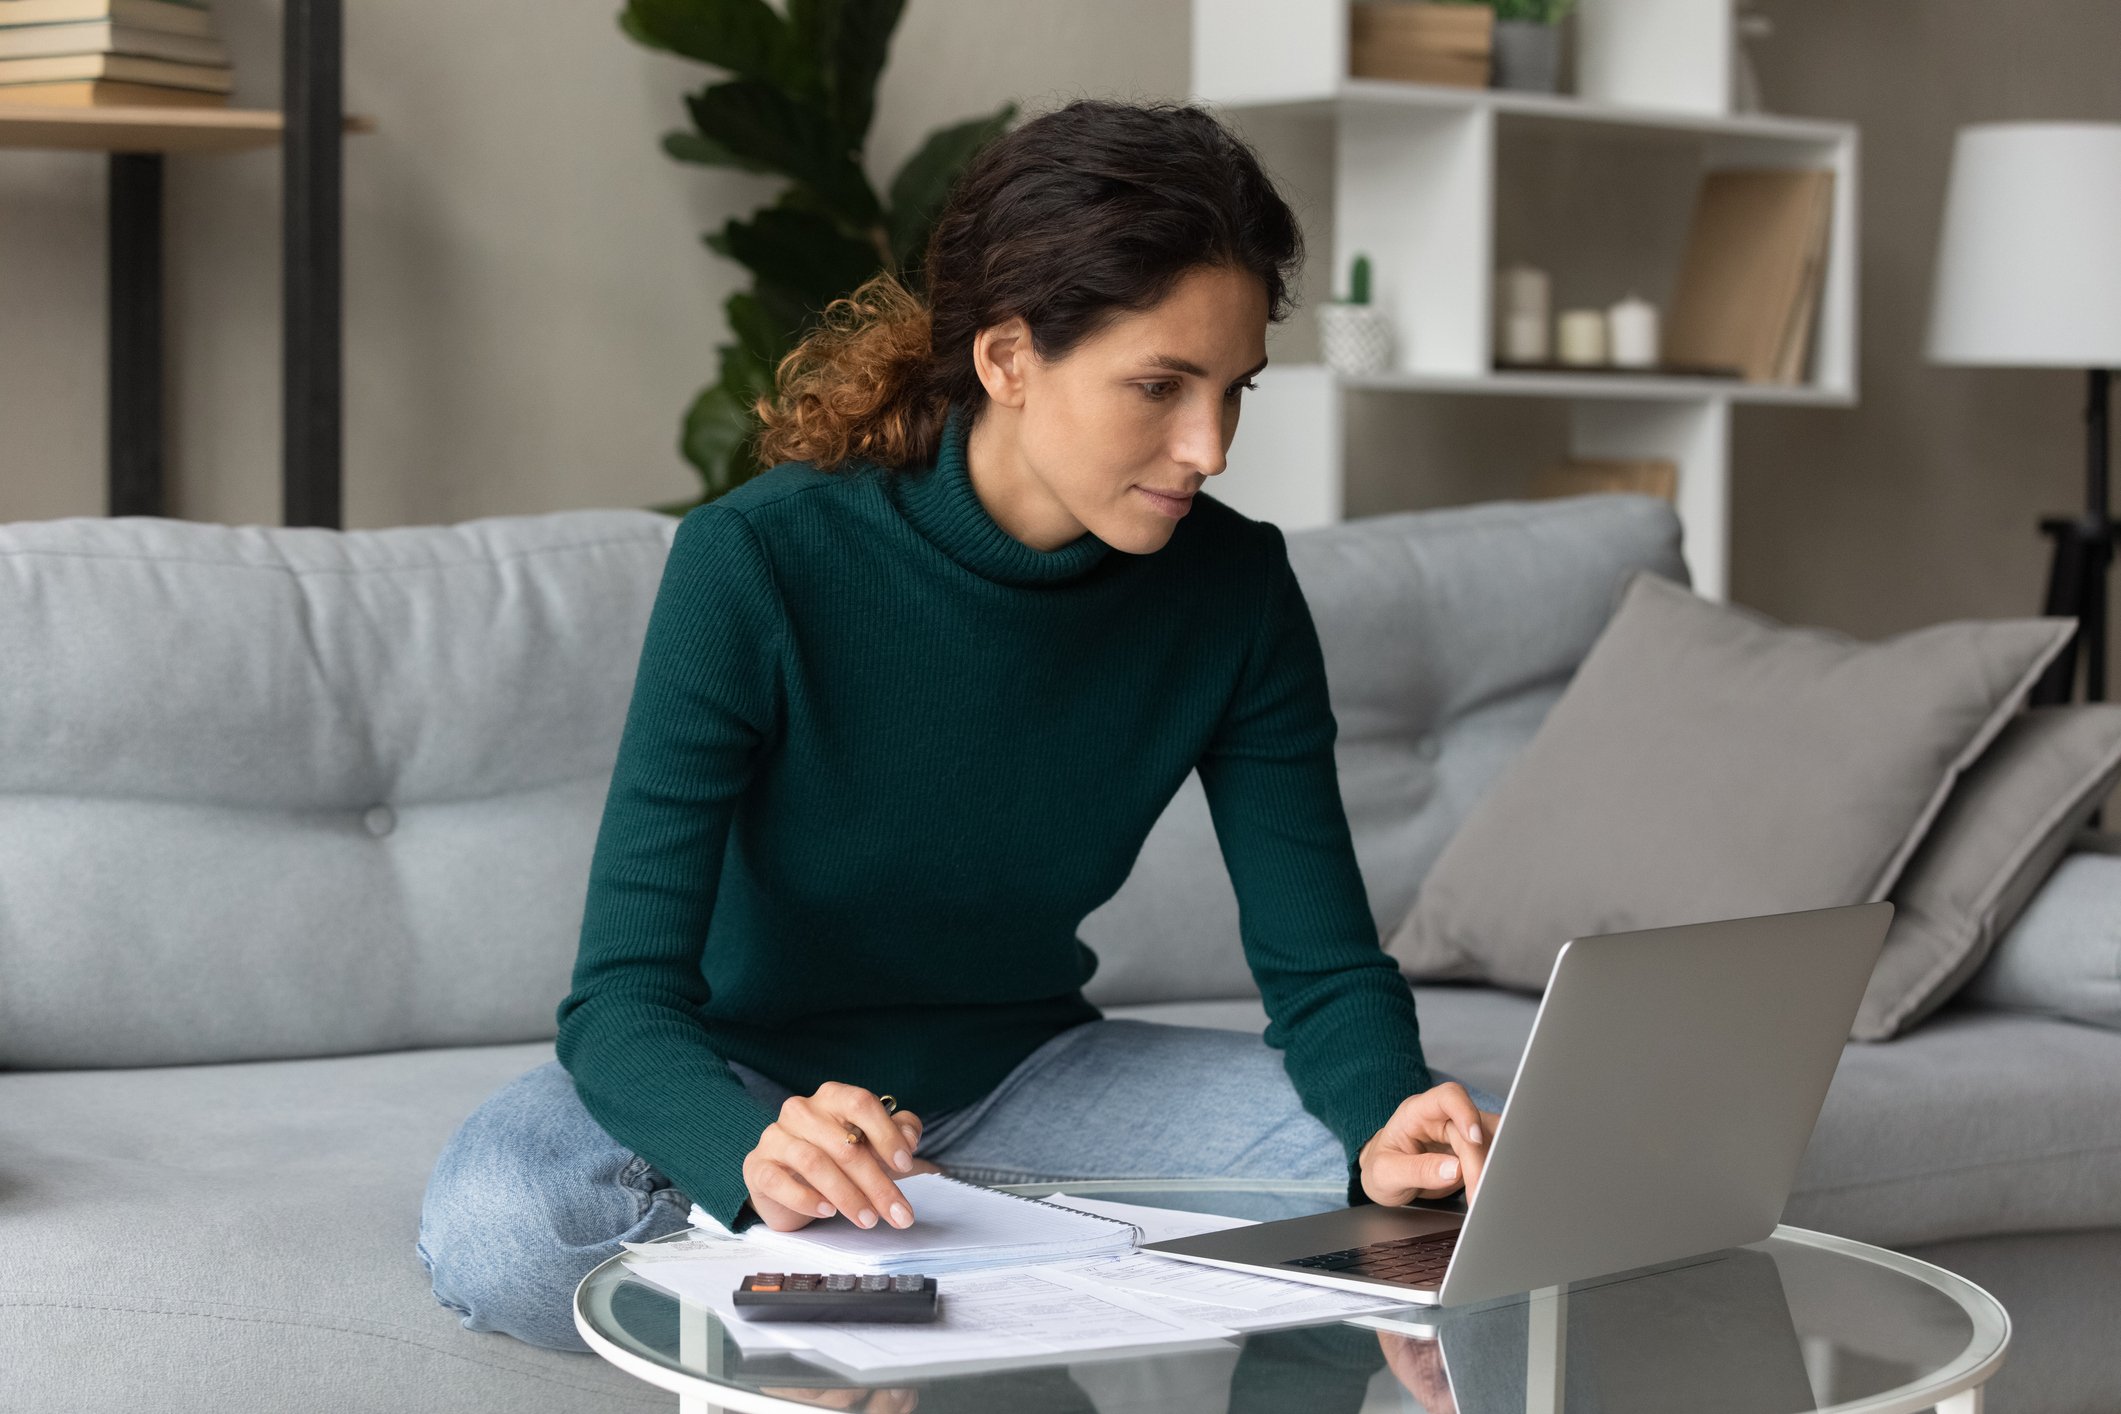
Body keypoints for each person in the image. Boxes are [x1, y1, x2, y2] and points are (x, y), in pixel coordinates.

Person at [418, 97, 1505, 1353]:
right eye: (1158, 386)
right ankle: (949, 1271)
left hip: (1032, 1078)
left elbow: (1321, 971)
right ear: (1005, 359)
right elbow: (619, 1000)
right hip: (746, 1075)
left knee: (1466, 1183)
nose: (1207, 446)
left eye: (1232, 389)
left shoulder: (1234, 588)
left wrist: (1387, 1116)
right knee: (509, 1221)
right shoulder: (758, 561)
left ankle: (931, 1281)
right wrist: (751, 1160)